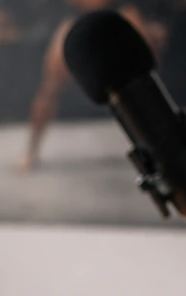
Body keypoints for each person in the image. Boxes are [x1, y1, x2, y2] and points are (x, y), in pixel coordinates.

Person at [21, 0, 168, 172]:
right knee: (51, 86)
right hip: (80, 18)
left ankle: (164, 145)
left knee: (145, 73)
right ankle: (32, 149)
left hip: (120, 10)